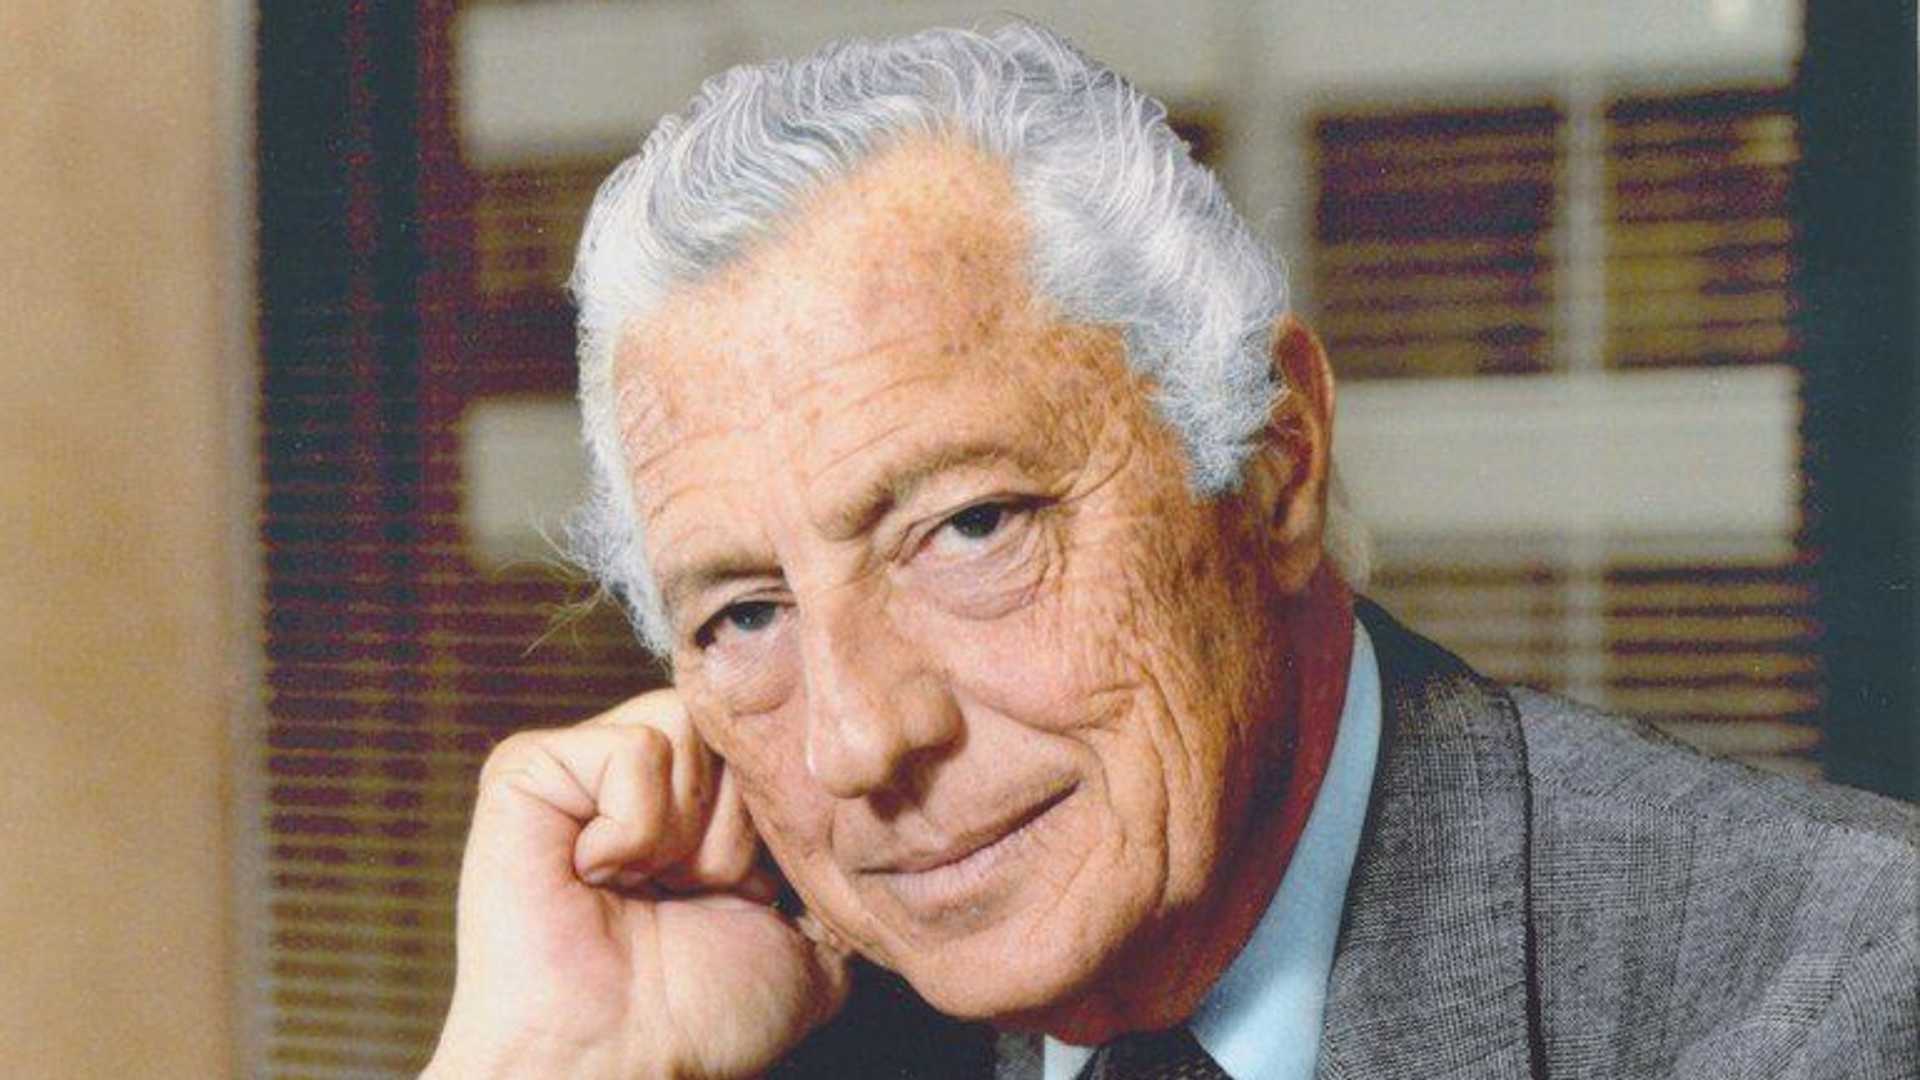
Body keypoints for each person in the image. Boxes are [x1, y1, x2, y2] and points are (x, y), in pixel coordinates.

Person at [424, 23, 1917, 1080]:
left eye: (970, 527)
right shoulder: (761, 1029)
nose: (860, 741)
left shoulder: (1847, 996)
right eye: (745, 616)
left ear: (1273, 464)